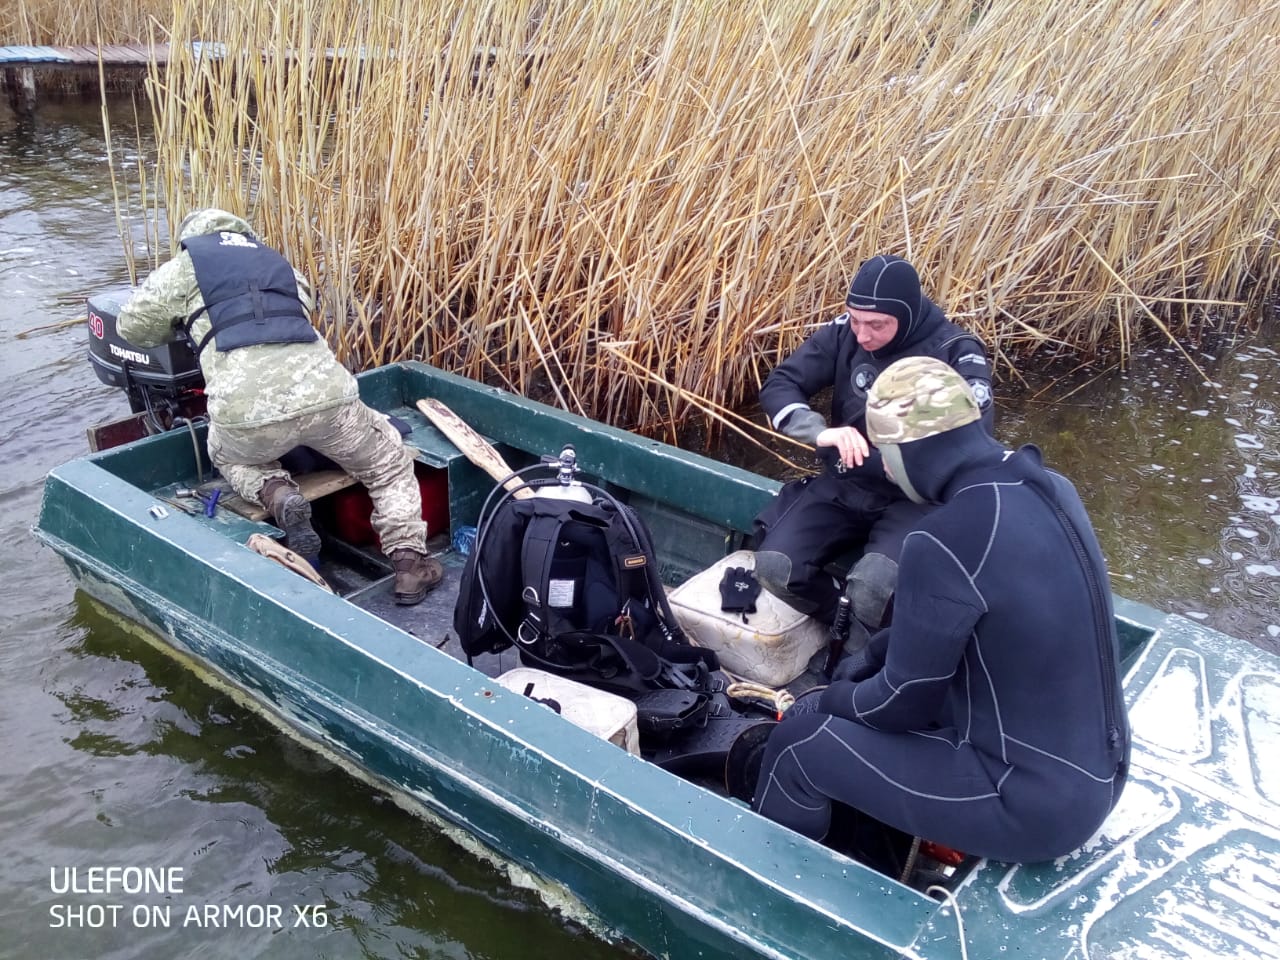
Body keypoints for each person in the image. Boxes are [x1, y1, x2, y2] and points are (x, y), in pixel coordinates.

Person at [749, 356, 1130, 864]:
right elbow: (965, 630)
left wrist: (830, 695)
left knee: (801, 739)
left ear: (912, 453)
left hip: (1028, 806)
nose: (881, 466)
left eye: (884, 451)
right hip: (1099, 772)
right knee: (853, 696)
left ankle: (783, 890)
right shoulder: (1051, 487)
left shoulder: (941, 539)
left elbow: (900, 704)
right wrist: (877, 653)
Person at [116, 207, 442, 604]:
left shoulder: (185, 267)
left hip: (246, 415)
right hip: (327, 399)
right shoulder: (280, 264)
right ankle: (410, 565)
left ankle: (275, 492)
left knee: (230, 456)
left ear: (191, 239)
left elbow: (132, 328)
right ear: (245, 235)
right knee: (387, 461)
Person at [754, 254, 994, 638]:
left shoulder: (954, 352)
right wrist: (819, 432)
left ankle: (873, 655)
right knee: (774, 568)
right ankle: (846, 632)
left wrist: (911, 460)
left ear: (907, 316)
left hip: (914, 496)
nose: (862, 335)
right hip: (847, 477)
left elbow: (973, 442)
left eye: (877, 325)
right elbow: (781, 383)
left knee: (872, 589)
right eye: (855, 319)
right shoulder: (846, 332)